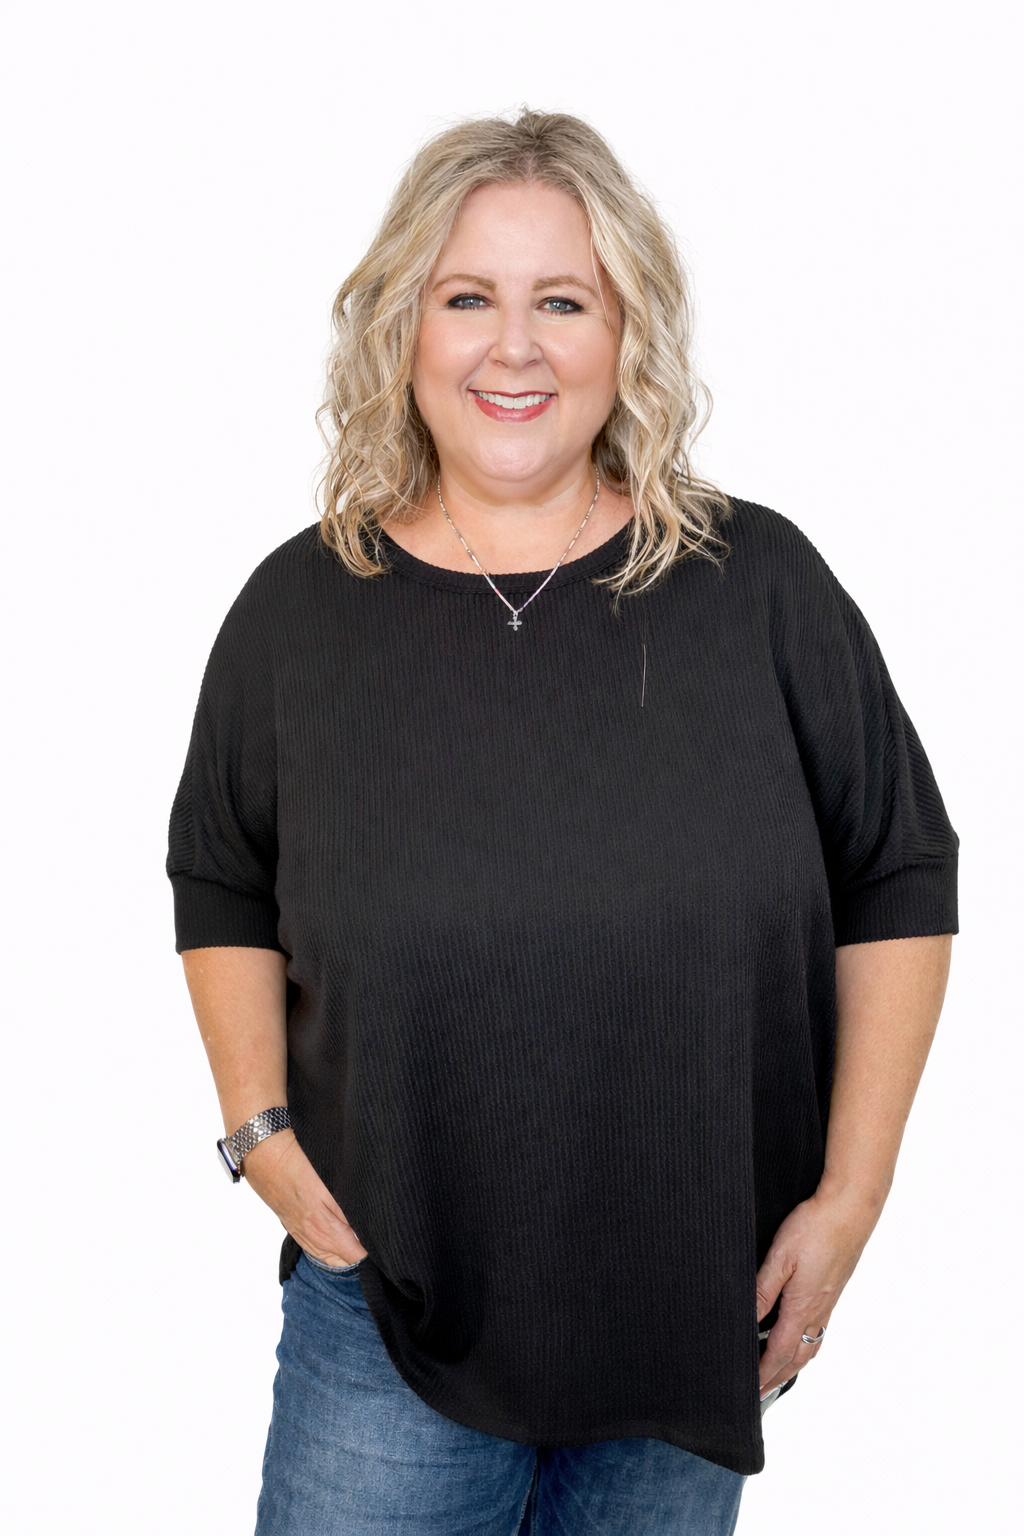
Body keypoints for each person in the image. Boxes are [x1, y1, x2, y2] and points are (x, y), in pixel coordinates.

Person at [168, 110, 957, 1536]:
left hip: (691, 1310)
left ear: (627, 331)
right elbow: (223, 873)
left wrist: (851, 1197)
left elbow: (898, 867)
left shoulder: (758, 585)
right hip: (386, 1307)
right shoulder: (301, 609)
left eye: (564, 302)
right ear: (403, 327)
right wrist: (256, 1127)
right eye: (468, 297)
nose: (513, 349)